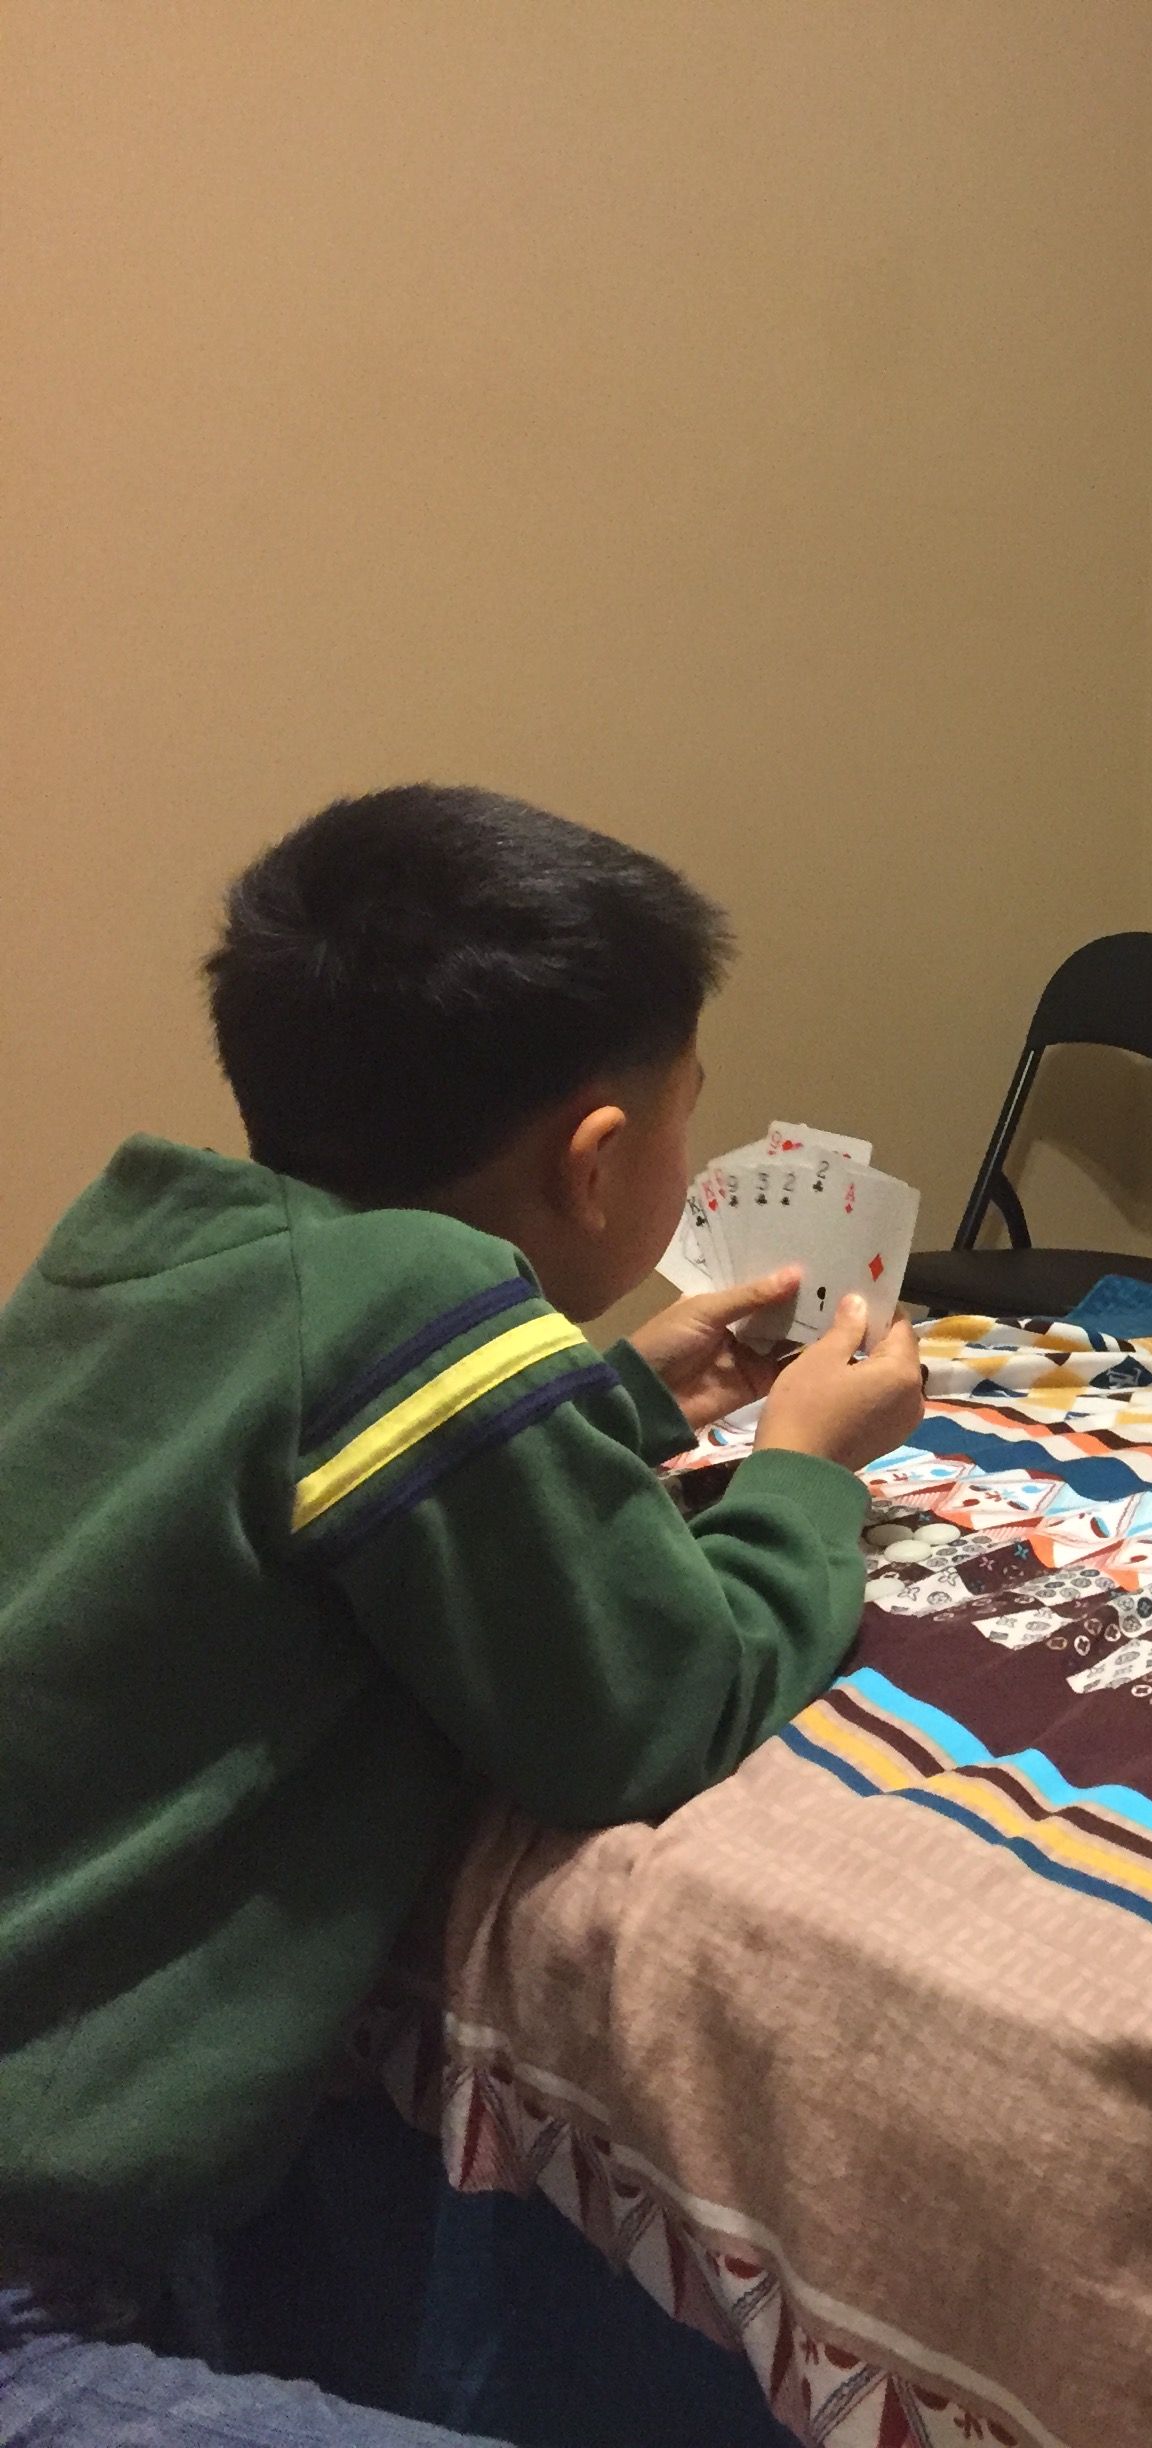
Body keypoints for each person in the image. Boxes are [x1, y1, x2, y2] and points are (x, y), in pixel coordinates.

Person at [0, 786, 926, 2439]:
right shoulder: (421, 1304)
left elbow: (318, 1495)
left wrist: (601, 1396)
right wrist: (803, 1468)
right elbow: (653, 1706)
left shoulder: (154, 1236)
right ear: (597, 1157)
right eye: (683, 1121)